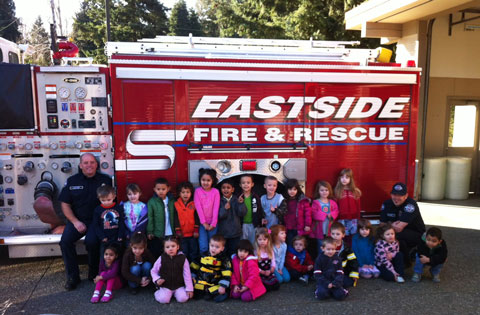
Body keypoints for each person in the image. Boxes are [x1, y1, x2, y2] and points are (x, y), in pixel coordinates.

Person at [58, 153, 112, 290]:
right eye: (86, 163)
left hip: (97, 222)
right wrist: (75, 222)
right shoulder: (72, 181)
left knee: (92, 242)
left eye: (92, 162)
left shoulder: (106, 180)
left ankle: (93, 273)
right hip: (77, 220)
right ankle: (72, 277)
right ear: (80, 165)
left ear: (96, 164)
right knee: (65, 241)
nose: (89, 165)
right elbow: (65, 204)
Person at [380, 182, 426, 266]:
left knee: (393, 235)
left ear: (406, 196)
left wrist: (389, 224)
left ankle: (410, 255)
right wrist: (393, 224)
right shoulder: (386, 204)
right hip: (401, 233)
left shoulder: (410, 205)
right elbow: (382, 225)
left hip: (416, 234)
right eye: (394, 194)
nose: (396, 198)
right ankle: (404, 260)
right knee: (387, 236)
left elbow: (398, 228)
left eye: (400, 195)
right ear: (391, 194)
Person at [150, 236, 194, 304]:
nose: (170, 249)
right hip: (166, 285)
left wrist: (189, 289)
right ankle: (159, 292)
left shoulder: (183, 258)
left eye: (173, 246)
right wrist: (157, 279)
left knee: (183, 298)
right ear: (164, 249)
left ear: (178, 247)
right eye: (167, 247)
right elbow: (153, 271)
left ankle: (175, 294)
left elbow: (187, 274)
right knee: (164, 300)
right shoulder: (162, 258)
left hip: (178, 285)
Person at [190, 234, 232, 302]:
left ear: (222, 248)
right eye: (212, 246)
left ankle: (218, 293)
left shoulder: (224, 259)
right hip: (202, 280)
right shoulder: (203, 255)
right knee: (195, 290)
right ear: (209, 245)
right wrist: (192, 275)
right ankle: (204, 292)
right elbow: (195, 265)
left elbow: (227, 273)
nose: (213, 248)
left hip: (214, 282)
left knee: (219, 292)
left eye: (217, 247)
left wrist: (223, 286)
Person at [92, 185, 125, 258]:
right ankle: (103, 269)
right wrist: (102, 237)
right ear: (99, 198)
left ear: (114, 196)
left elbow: (121, 222)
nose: (106, 202)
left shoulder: (118, 208)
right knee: (104, 257)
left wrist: (120, 235)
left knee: (118, 257)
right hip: (105, 239)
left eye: (109, 199)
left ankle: (118, 269)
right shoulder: (98, 210)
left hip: (117, 238)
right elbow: (96, 225)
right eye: (103, 200)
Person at [147, 177, 175, 258]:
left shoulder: (172, 200)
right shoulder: (152, 202)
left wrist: (177, 229)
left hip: (170, 232)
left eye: (163, 189)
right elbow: (150, 217)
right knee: (158, 252)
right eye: (158, 189)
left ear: (168, 189)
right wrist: (150, 231)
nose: (161, 191)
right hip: (158, 233)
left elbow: (176, 216)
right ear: (154, 189)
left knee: (170, 252)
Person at [217, 180, 247, 257]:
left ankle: (233, 268)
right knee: (223, 253)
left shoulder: (236, 199)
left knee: (233, 253)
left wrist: (241, 204)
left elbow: (242, 213)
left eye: (228, 188)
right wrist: (224, 209)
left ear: (233, 189)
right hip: (223, 233)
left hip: (235, 233)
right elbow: (218, 216)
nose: (226, 189)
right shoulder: (219, 200)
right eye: (223, 188)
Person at [309, 180, 339, 257]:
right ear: (318, 191)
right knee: (321, 248)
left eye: (326, 190)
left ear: (329, 191)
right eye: (322, 190)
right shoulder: (315, 202)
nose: (324, 192)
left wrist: (331, 215)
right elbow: (313, 213)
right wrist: (325, 215)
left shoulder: (332, 202)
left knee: (330, 247)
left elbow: (336, 211)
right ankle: (320, 264)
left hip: (330, 229)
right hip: (319, 229)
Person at [194, 168, 220, 254]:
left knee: (213, 244)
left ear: (213, 181)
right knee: (203, 244)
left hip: (213, 224)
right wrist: (204, 223)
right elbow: (198, 208)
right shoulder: (197, 191)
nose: (205, 182)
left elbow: (216, 208)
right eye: (203, 180)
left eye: (208, 180)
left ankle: (213, 262)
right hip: (202, 224)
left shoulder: (215, 192)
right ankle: (204, 262)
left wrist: (213, 223)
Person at [174, 181, 200, 263]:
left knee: (194, 251)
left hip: (192, 233)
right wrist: (177, 230)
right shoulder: (176, 204)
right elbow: (175, 218)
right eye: (183, 192)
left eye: (188, 192)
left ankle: (194, 268)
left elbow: (197, 217)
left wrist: (196, 230)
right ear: (179, 193)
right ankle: (185, 267)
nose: (185, 194)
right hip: (182, 234)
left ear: (191, 193)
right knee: (184, 251)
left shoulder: (194, 203)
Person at [334, 168, 361, 246]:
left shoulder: (356, 191)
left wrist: (358, 218)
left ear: (351, 179)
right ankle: (342, 256)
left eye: (347, 177)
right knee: (342, 237)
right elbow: (335, 207)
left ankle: (350, 255)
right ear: (339, 178)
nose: (344, 179)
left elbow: (358, 206)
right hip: (341, 219)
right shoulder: (337, 191)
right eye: (342, 177)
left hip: (353, 219)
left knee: (351, 238)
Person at [330, 222, 359, 288]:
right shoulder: (327, 246)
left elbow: (353, 261)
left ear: (343, 235)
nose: (335, 236)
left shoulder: (346, 248)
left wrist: (354, 274)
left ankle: (335, 285)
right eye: (333, 234)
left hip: (342, 271)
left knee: (348, 282)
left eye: (338, 234)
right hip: (330, 272)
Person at [238, 174, 264, 244]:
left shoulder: (255, 197)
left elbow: (259, 210)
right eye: (243, 183)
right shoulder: (238, 197)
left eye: (248, 182)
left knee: (253, 242)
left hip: (253, 224)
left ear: (252, 184)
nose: (246, 185)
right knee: (243, 242)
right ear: (240, 185)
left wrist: (261, 220)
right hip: (242, 224)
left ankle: (252, 255)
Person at [283, 178, 310, 246]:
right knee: (290, 244)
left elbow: (308, 214)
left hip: (299, 227)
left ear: (298, 190)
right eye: (290, 189)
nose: (292, 191)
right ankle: (291, 256)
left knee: (300, 244)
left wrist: (307, 224)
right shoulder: (284, 200)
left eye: (294, 189)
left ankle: (300, 257)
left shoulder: (302, 201)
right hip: (288, 227)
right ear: (286, 190)